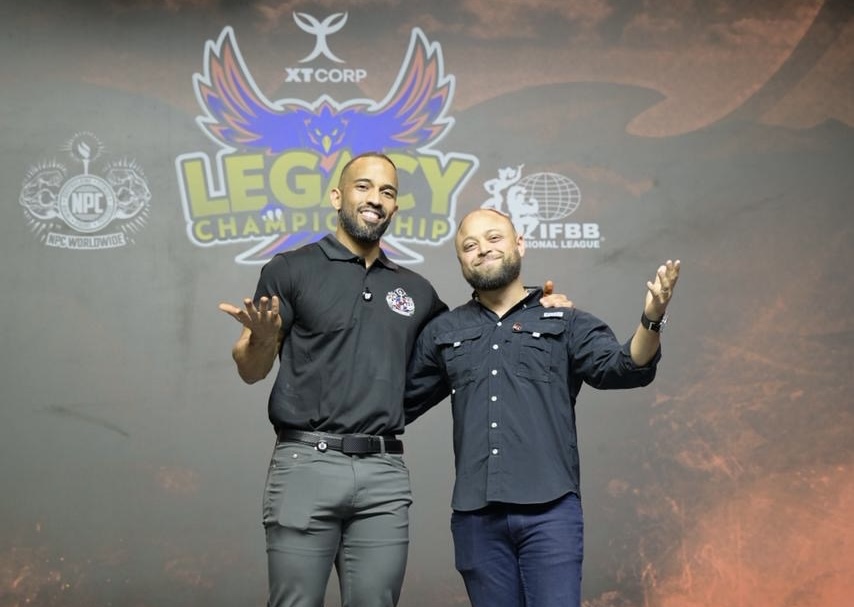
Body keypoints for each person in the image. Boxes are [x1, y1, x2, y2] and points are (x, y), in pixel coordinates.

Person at [218, 153, 569, 607]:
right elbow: (251, 369)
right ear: (337, 197)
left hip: (382, 474)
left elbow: (478, 333)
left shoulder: (417, 292)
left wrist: (533, 309)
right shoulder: (291, 269)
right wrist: (264, 340)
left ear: (395, 208)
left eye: (387, 192)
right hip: (305, 463)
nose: (375, 199)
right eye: (363, 186)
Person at [404, 208, 681, 607]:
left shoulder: (563, 319)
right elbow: (397, 403)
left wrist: (651, 319)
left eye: (494, 238)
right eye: (470, 245)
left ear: (519, 244)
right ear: (461, 259)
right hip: (475, 518)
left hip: (550, 513)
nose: (483, 249)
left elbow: (624, 367)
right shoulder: (444, 332)